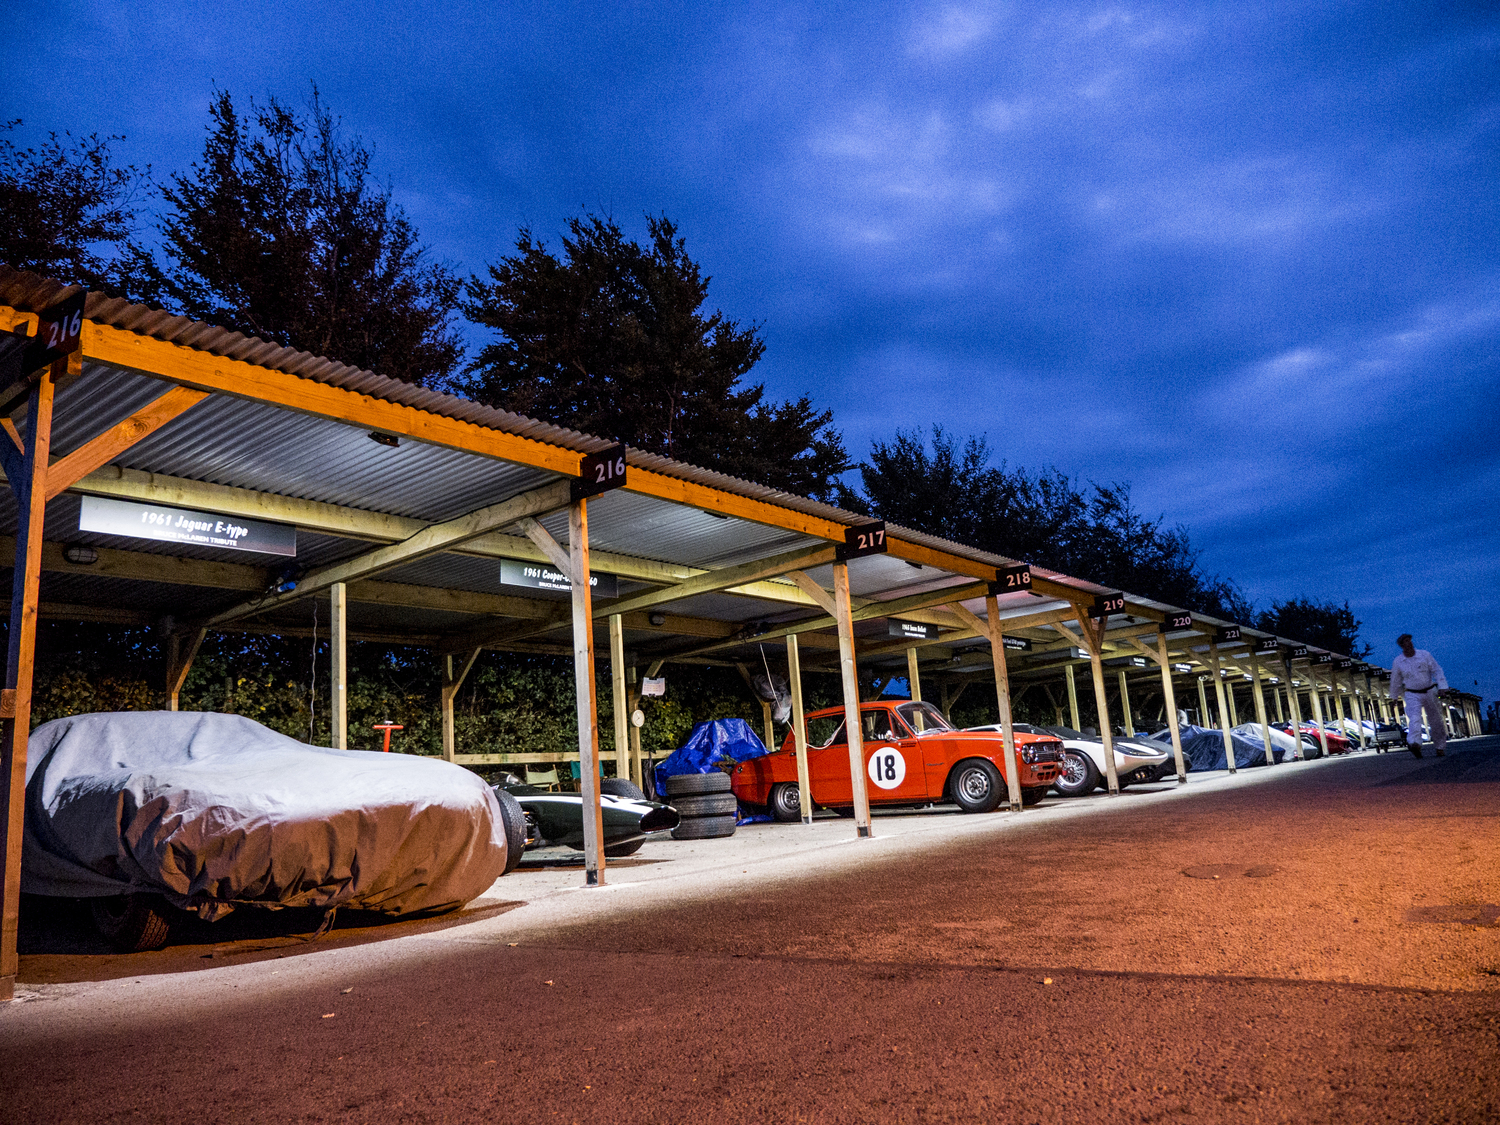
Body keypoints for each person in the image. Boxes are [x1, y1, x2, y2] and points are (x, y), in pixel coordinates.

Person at [1389, 634, 1449, 758]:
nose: (1409, 643)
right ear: (1402, 646)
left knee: (1436, 720)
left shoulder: (1424, 655)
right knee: (1414, 719)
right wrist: (1394, 697)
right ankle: (1415, 743)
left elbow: (1437, 670)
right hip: (1411, 693)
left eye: (1410, 640)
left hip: (1429, 690)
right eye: (1406, 641)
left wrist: (1442, 687)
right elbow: (1395, 680)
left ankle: (1440, 747)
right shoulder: (1398, 661)